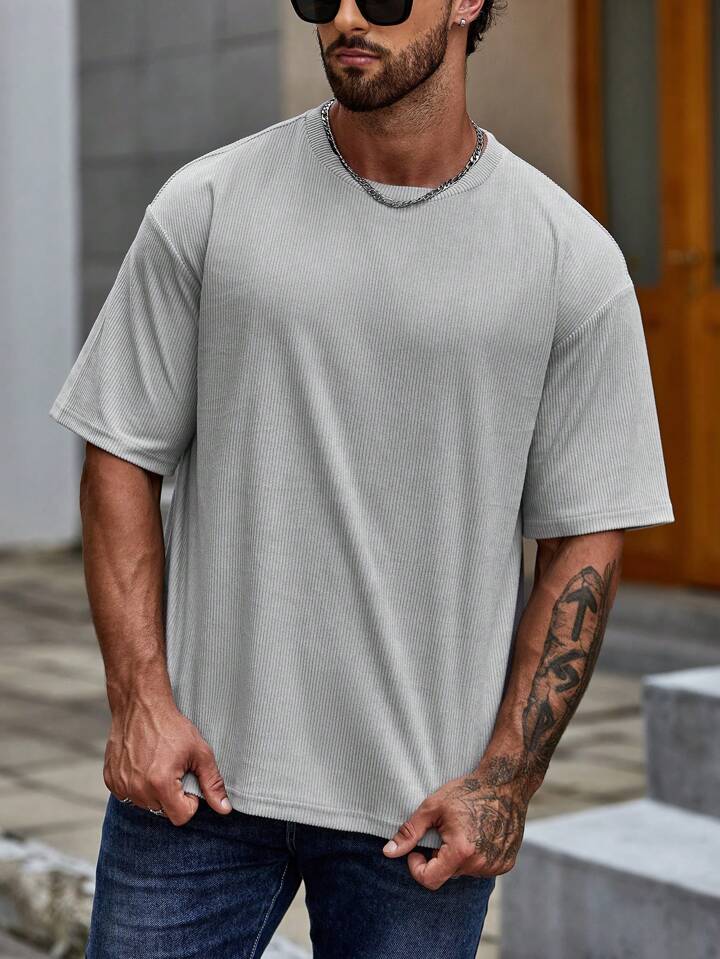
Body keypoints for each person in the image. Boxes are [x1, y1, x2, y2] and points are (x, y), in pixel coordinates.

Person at [49, 1, 674, 956]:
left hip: (419, 810)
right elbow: (120, 449)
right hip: (193, 788)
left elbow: (584, 535)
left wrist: (506, 780)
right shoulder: (209, 204)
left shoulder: (570, 260)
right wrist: (140, 703)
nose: (345, 16)